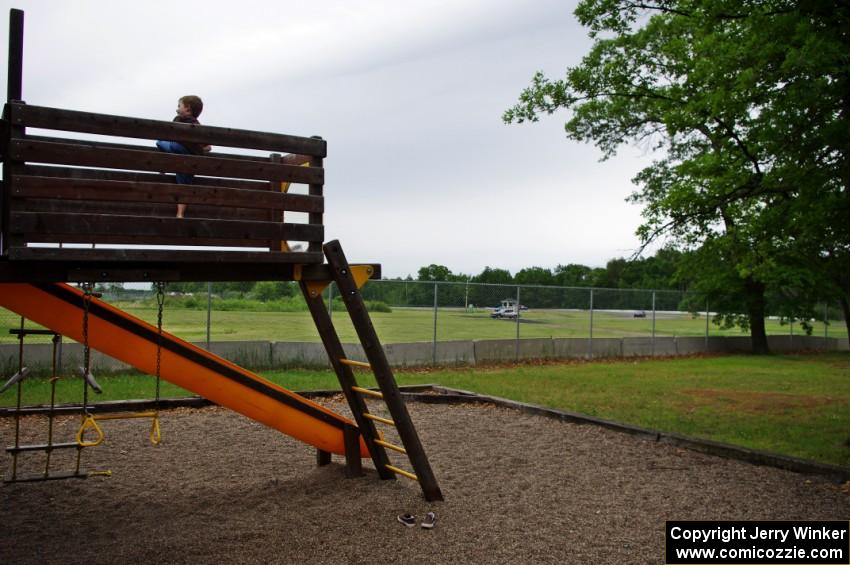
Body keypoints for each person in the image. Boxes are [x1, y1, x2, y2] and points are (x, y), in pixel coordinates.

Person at [156, 95, 211, 218]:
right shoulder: (198, 127)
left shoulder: (178, 120)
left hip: (177, 150)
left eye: (179, 106)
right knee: (185, 185)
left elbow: (168, 136)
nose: (177, 109)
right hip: (191, 161)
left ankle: (162, 169)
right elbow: (208, 147)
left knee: (159, 141)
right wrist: (196, 149)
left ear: (187, 109)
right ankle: (180, 213)